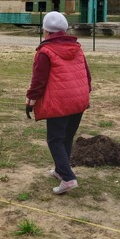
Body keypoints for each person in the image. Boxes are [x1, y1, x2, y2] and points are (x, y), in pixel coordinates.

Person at [25, 11, 91, 195]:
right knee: (66, 137)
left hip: (60, 103)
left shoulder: (44, 52)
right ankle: (61, 170)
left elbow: (38, 81)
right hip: (78, 100)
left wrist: (30, 101)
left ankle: (68, 178)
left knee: (54, 139)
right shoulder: (77, 47)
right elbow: (87, 74)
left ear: (46, 31)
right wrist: (86, 94)